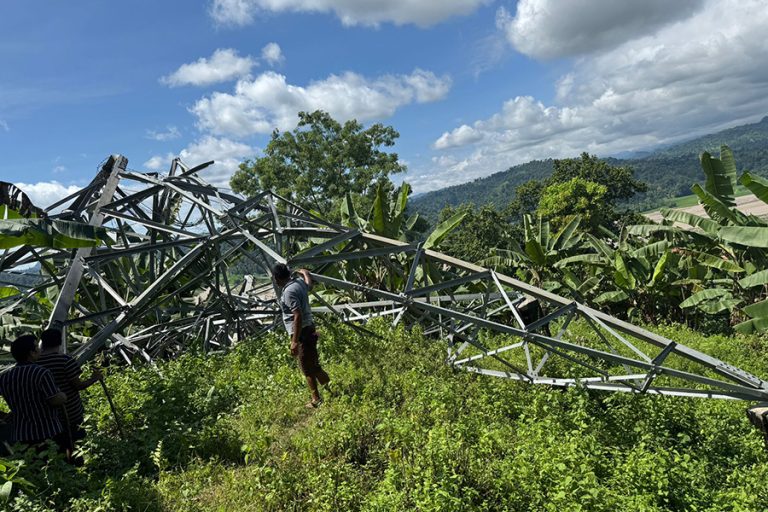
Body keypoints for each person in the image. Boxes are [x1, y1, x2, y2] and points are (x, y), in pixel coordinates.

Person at [273, 263, 330, 408]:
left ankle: (316, 400)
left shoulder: (288, 293)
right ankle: (330, 388)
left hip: (302, 332)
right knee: (314, 364)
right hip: (310, 328)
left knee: (306, 368)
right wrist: (305, 273)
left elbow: (297, 316)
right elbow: (309, 286)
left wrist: (294, 342)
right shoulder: (298, 283)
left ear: (277, 278)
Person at [37, 328, 102, 449]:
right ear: (59, 342)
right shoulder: (65, 360)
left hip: (47, 416)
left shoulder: (35, 364)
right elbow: (78, 385)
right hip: (71, 412)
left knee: (56, 448)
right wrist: (94, 378)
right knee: (77, 445)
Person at [0, 334, 67, 450]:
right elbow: (54, 400)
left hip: (22, 435)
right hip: (48, 431)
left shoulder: (5, 377)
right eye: (37, 347)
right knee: (56, 464)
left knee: (33, 466)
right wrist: (63, 395)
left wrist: (6, 415)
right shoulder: (41, 373)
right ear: (32, 352)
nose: (40, 349)